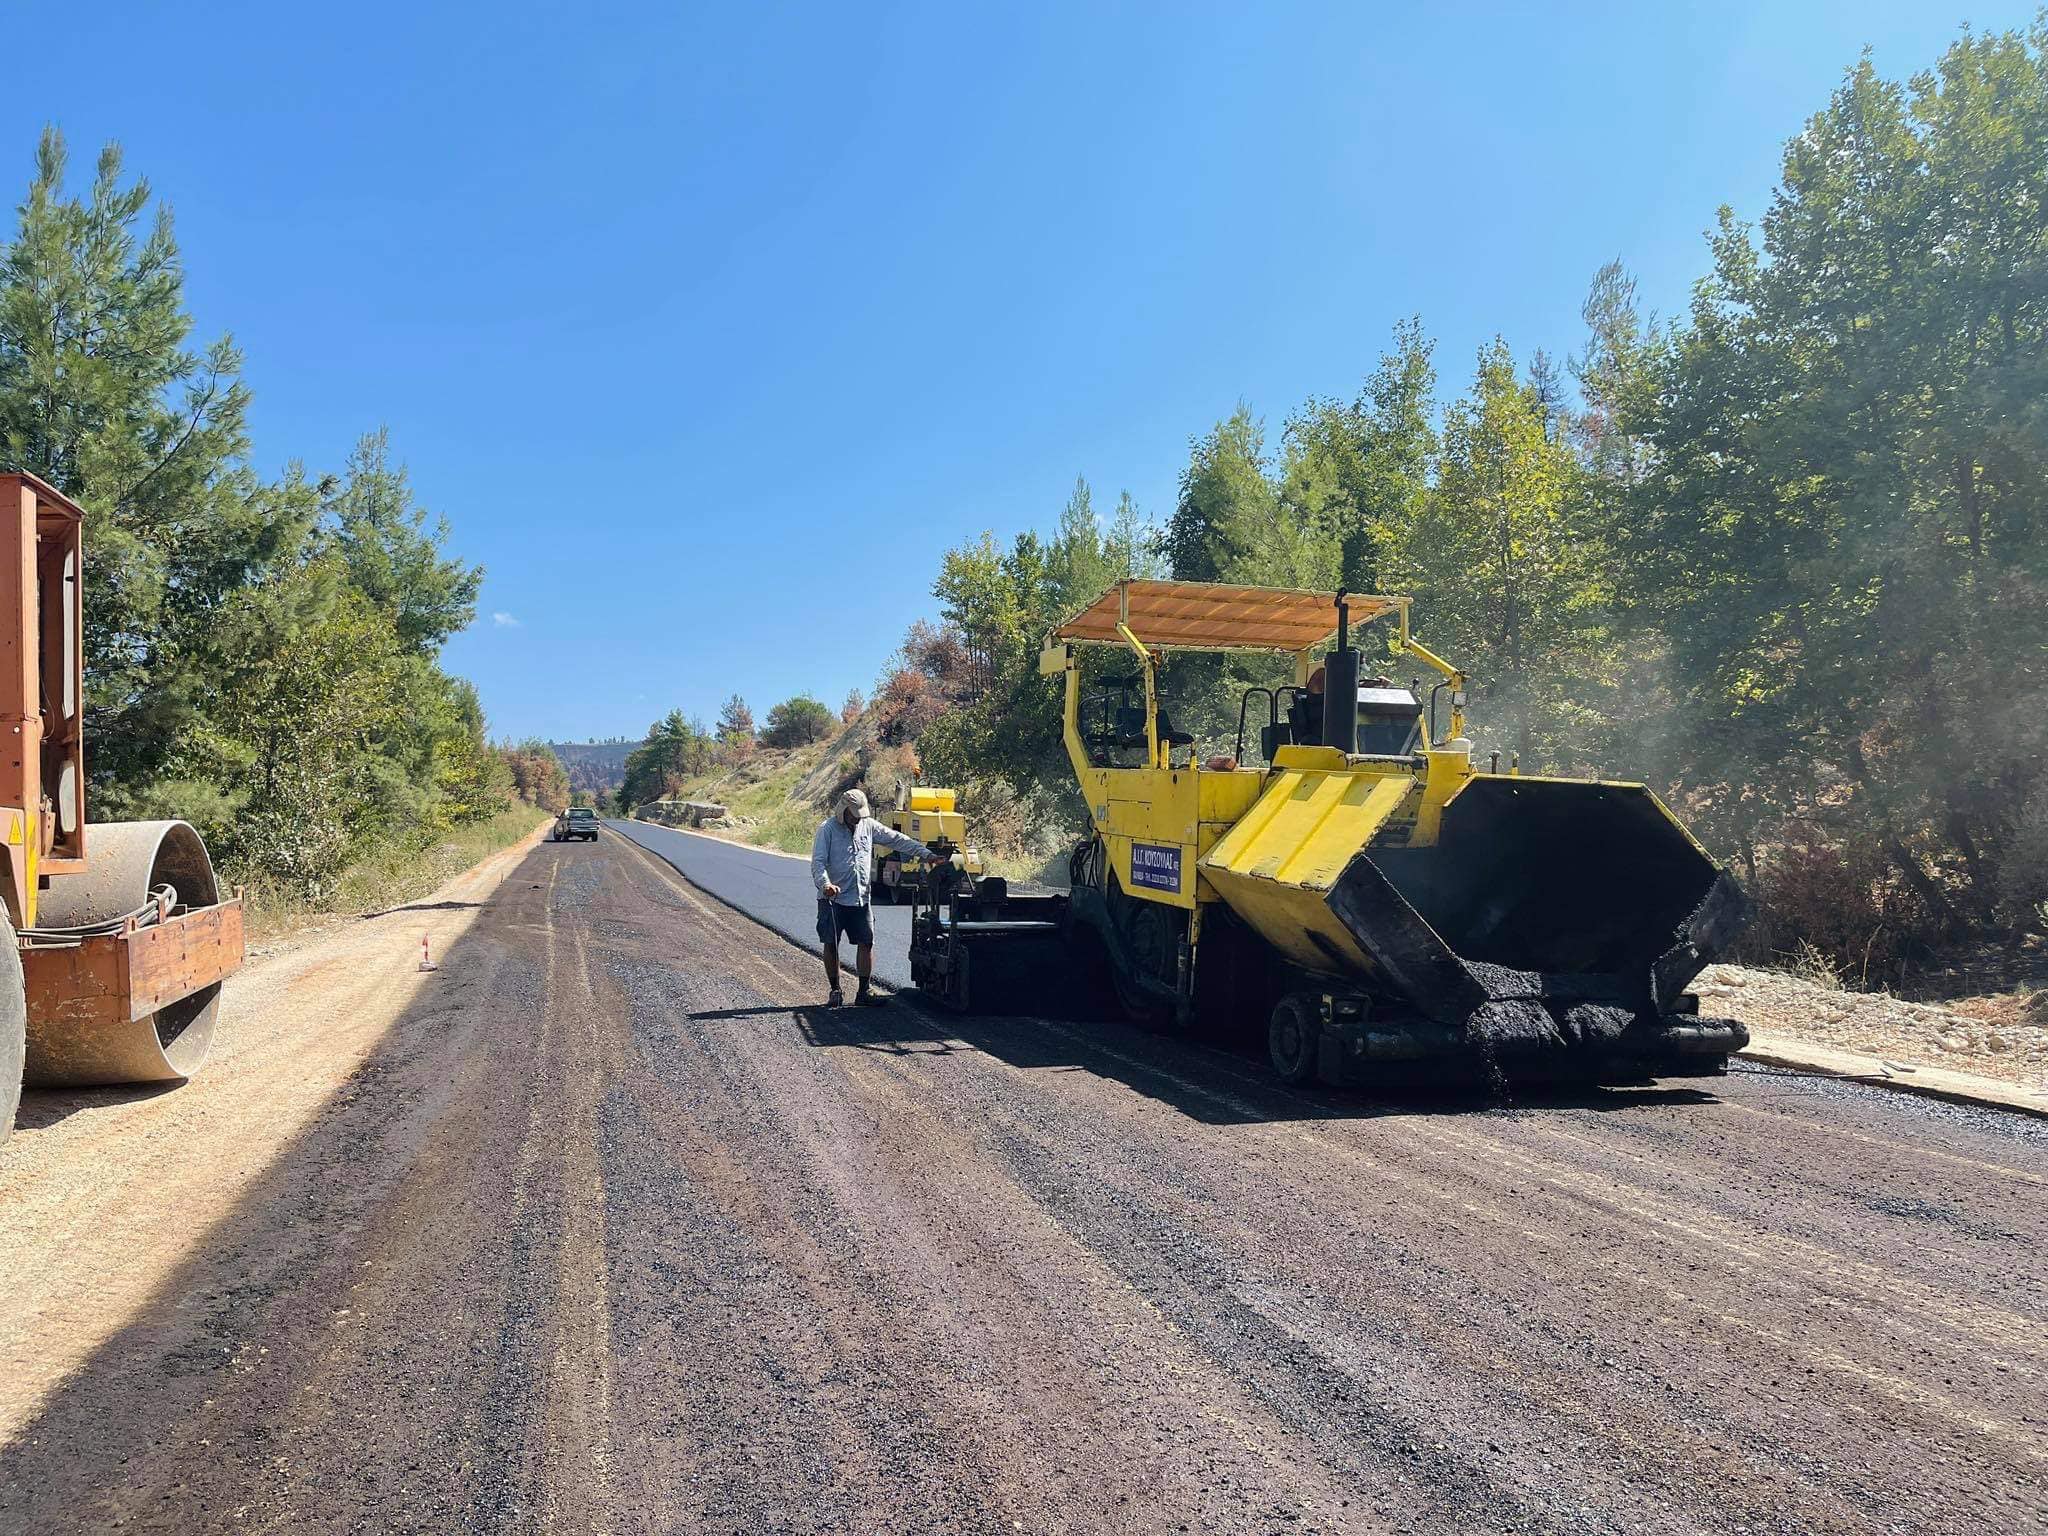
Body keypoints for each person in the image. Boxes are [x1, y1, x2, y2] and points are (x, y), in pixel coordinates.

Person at [811, 788, 936, 1007]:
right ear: (843, 811)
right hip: (833, 899)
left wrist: (926, 854)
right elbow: (818, 862)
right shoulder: (828, 829)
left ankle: (863, 991)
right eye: (853, 814)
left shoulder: (868, 826)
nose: (857, 818)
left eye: (860, 814)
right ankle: (835, 990)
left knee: (866, 942)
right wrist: (826, 885)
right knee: (832, 944)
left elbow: (896, 839)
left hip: (860, 897)